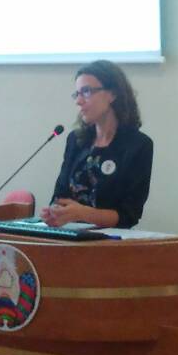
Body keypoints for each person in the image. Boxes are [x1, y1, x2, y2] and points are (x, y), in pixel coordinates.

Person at [41, 60, 153, 230]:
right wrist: (53, 212)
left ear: (112, 94)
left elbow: (129, 215)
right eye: (77, 94)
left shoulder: (138, 145)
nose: (79, 101)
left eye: (86, 92)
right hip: (69, 235)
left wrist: (83, 213)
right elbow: (60, 196)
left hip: (109, 240)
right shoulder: (76, 140)